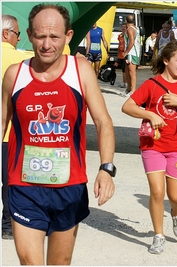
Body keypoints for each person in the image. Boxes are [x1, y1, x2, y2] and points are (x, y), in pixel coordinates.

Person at [1, 4, 116, 265]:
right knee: (31, 263)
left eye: (54, 37)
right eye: (40, 36)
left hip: (69, 187)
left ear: (68, 36)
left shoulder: (80, 70)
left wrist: (106, 169)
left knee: (60, 263)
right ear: (29, 34)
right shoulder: (14, 75)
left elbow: (103, 122)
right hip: (24, 186)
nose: (46, 44)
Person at [121, 40, 177, 254]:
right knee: (157, 192)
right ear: (166, 61)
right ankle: (159, 235)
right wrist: (149, 114)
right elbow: (127, 106)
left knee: (175, 196)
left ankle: (176, 213)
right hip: (152, 146)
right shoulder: (151, 84)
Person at [1, 14, 28, 240]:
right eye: (17, 34)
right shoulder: (18, 60)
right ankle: (8, 226)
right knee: (10, 181)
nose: (18, 39)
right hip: (9, 133)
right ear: (6, 34)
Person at [123, 14, 141, 95]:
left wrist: (126, 52)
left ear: (126, 21)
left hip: (132, 53)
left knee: (131, 72)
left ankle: (133, 90)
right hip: (133, 52)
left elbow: (131, 42)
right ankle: (128, 88)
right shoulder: (135, 28)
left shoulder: (130, 29)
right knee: (127, 71)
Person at [117, 23, 128, 88]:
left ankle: (125, 82)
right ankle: (124, 82)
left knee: (125, 69)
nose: (123, 28)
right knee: (122, 69)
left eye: (125, 27)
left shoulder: (127, 35)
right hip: (120, 54)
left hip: (125, 54)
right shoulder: (120, 36)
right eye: (122, 27)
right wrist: (117, 53)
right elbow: (119, 45)